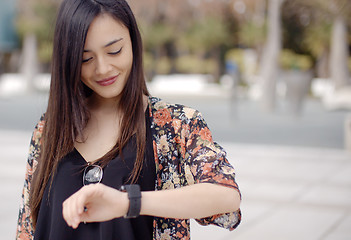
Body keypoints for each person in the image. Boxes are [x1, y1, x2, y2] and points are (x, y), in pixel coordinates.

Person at [16, 0, 241, 239]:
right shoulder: (49, 128)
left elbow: (226, 197)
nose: (103, 68)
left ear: (133, 41)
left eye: (114, 51)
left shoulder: (175, 124)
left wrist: (129, 202)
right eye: (85, 59)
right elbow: (27, 228)